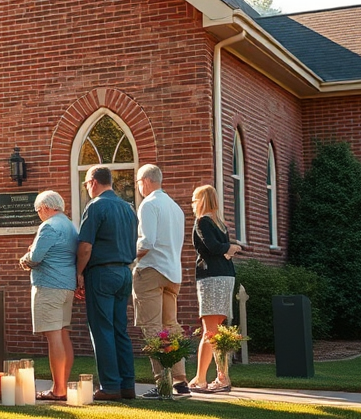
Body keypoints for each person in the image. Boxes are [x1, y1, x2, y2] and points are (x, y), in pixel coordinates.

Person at [75, 165, 138, 401]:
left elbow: (85, 247)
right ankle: (127, 385)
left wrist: (78, 273)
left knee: (102, 330)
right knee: (120, 329)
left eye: (85, 184)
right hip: (124, 272)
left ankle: (110, 386)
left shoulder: (95, 206)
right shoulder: (129, 208)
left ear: (92, 182)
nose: (86, 188)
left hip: (101, 273)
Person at [131, 164, 191, 399]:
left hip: (151, 271)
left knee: (153, 328)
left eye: (137, 183)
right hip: (172, 272)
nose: (138, 188)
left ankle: (162, 382)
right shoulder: (176, 207)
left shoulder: (149, 204)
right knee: (171, 326)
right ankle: (180, 380)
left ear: (145, 181)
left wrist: (126, 256)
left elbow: (146, 242)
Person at [19, 190, 78, 402]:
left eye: (38, 211)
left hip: (49, 286)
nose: (39, 215)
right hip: (66, 286)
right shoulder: (70, 225)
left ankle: (58, 390)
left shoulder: (49, 226)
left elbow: (35, 256)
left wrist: (25, 258)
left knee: (54, 336)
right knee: (62, 334)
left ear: (45, 207)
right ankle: (62, 386)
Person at [187, 185, 242, 394]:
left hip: (211, 277)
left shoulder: (203, 222)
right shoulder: (220, 223)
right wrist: (230, 248)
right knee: (216, 331)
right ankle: (222, 377)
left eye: (194, 199)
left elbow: (211, 247)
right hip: (226, 275)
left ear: (201, 201)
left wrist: (228, 248)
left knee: (209, 331)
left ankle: (201, 379)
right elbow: (222, 248)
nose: (192, 204)